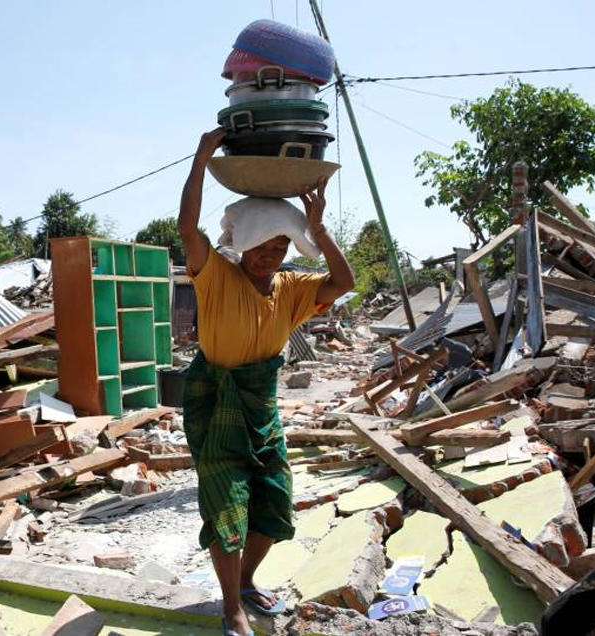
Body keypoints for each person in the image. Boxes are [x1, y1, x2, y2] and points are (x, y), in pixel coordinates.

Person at [177, 128, 355, 636]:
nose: (270, 254)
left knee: (275, 502)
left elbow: (344, 283)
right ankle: (231, 606)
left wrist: (318, 231)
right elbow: (189, 228)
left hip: (261, 405)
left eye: (280, 245)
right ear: (244, 245)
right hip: (216, 400)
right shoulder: (215, 275)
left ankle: (247, 581)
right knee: (227, 503)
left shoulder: (294, 287)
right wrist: (204, 154)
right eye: (262, 245)